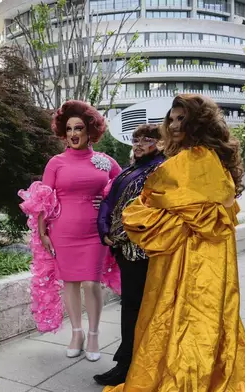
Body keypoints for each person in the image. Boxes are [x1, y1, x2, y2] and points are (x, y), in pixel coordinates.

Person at [105, 94, 245, 391]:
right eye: (172, 118)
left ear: (197, 123)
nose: (174, 125)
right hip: (212, 261)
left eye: (181, 119)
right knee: (209, 319)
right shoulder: (214, 162)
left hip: (182, 257)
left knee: (176, 317)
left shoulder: (184, 164)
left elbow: (141, 211)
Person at [27, 100, 122, 360]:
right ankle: (76, 333)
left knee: (92, 283)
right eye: (68, 129)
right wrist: (43, 233)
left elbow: (123, 189)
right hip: (64, 233)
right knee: (70, 283)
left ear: (91, 130)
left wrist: (106, 200)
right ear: (63, 132)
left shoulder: (104, 161)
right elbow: (43, 201)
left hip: (95, 233)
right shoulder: (55, 163)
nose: (73, 134)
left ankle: (93, 335)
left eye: (78, 128)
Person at [93, 124, 165, 386]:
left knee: (137, 308)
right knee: (131, 307)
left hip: (142, 252)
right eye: (135, 139)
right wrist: (104, 231)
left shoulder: (160, 170)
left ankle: (130, 366)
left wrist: (119, 235)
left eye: (146, 139)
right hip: (124, 250)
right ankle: (125, 363)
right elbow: (109, 201)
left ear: (160, 143)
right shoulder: (131, 169)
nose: (138, 144)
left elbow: (148, 211)